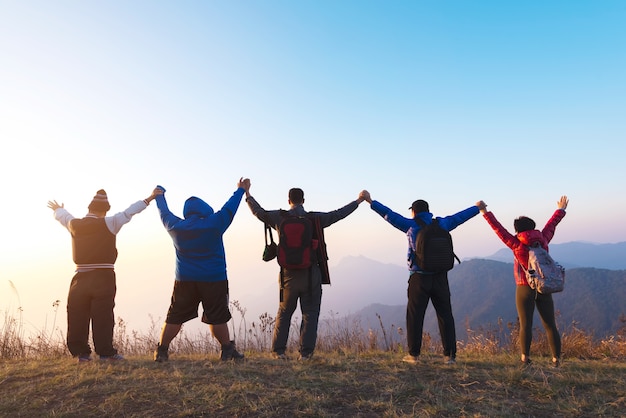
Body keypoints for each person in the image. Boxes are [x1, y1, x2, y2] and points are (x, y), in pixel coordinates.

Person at [360, 190, 483, 365]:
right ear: (428, 211)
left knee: (415, 316)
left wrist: (370, 201)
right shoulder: (442, 224)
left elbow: (389, 215)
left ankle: (414, 355)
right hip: (441, 277)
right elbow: (459, 217)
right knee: (445, 315)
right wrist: (477, 208)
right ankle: (449, 356)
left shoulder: (410, 225)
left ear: (414, 212)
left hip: (419, 277)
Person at [246, 186, 367, 360]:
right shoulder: (314, 219)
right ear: (303, 200)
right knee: (310, 313)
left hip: (287, 276)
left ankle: (278, 352)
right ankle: (306, 354)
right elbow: (338, 214)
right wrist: (358, 201)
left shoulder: (279, 218)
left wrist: (248, 194)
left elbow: (259, 212)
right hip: (311, 274)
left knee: (284, 312)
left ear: (288, 201)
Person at [48, 188, 159, 362]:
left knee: (77, 315)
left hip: (79, 278)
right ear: (105, 210)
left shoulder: (74, 224)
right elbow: (130, 211)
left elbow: (64, 216)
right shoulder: (110, 222)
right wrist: (150, 198)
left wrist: (57, 209)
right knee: (103, 316)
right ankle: (106, 354)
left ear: (89, 208)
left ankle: (81, 354)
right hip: (103, 277)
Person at [153, 178, 250, 362]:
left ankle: (162, 351)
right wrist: (240, 190)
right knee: (217, 316)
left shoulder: (175, 227)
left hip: (185, 280)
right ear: (205, 209)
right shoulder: (214, 224)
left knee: (175, 316)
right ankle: (227, 350)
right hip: (214, 279)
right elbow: (229, 208)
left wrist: (160, 196)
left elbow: (163, 213)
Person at [479, 196, 568, 367]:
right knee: (550, 324)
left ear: (517, 230)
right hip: (544, 286)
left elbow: (498, 229)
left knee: (525, 324)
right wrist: (561, 210)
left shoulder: (516, 244)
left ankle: (525, 359)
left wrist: (484, 211)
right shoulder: (543, 239)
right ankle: (556, 360)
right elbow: (552, 225)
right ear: (533, 226)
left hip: (524, 287)